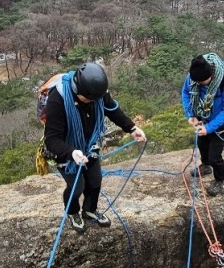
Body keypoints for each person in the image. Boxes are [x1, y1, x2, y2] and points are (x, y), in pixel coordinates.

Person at [43, 62, 147, 233]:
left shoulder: (97, 93)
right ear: (77, 90)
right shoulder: (58, 99)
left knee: (95, 180)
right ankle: (73, 212)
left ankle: (90, 210)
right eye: (88, 99)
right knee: (77, 186)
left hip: (89, 143)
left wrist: (132, 128)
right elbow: (52, 139)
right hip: (66, 149)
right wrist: (71, 153)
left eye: (95, 99)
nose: (92, 102)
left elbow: (112, 110)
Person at [181, 53, 224, 196]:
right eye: (197, 82)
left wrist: (210, 127)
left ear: (212, 75)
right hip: (202, 119)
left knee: (215, 156)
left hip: (219, 123)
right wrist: (191, 114)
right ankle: (205, 166)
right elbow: (186, 93)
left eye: (202, 82)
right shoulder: (193, 77)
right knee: (203, 146)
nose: (199, 84)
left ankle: (220, 179)